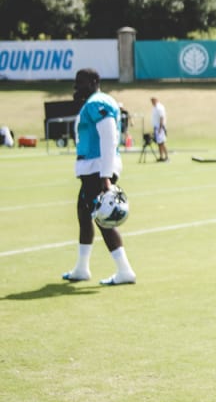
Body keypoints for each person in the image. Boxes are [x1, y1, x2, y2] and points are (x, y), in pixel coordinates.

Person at [62, 68, 136, 286]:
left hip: (97, 170)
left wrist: (105, 176)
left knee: (103, 218)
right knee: (84, 216)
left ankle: (125, 270)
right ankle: (82, 268)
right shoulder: (94, 101)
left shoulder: (97, 102)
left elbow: (109, 136)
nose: (77, 87)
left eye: (81, 82)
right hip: (93, 170)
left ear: (94, 81)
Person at [150, 96, 169, 161]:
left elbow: (162, 117)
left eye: (153, 100)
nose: (152, 102)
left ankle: (166, 156)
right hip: (156, 127)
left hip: (160, 127)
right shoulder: (154, 107)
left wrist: (160, 128)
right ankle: (161, 156)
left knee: (162, 142)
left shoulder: (159, 107)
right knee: (159, 143)